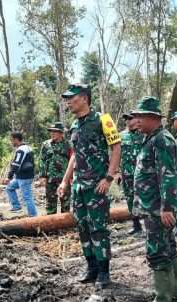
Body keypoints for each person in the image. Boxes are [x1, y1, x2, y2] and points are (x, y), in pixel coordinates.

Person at [58, 84, 121, 289]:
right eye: (67, 99)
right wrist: (65, 181)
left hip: (97, 186)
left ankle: (104, 271)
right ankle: (91, 267)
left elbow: (116, 147)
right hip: (79, 187)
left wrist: (109, 177)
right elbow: (75, 155)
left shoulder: (103, 119)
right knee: (83, 227)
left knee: (99, 228)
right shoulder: (75, 125)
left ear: (84, 98)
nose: (68, 102)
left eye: (71, 98)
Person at [131, 96, 177, 302]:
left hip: (157, 209)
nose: (136, 121)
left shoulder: (162, 139)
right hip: (153, 206)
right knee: (168, 247)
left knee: (158, 251)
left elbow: (168, 175)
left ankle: (162, 301)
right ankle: (174, 291)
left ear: (153, 118)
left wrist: (167, 208)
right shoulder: (152, 138)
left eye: (140, 117)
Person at [38, 122, 72, 215]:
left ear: (61, 133)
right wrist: (42, 176)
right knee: (50, 203)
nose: (52, 133)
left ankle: (65, 226)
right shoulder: (46, 144)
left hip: (64, 179)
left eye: (55, 131)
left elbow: (72, 160)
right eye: (51, 131)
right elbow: (42, 160)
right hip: (50, 179)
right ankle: (51, 225)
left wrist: (72, 177)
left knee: (65, 203)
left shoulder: (68, 144)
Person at [119, 112, 144, 234]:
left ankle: (152, 224)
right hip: (127, 173)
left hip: (143, 174)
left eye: (130, 118)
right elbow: (117, 154)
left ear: (137, 119)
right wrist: (117, 173)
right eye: (126, 119)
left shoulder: (143, 134)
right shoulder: (121, 136)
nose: (127, 121)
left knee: (145, 198)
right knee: (130, 198)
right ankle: (136, 225)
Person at [4, 131, 37, 217]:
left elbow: (16, 164)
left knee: (27, 197)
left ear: (16, 139)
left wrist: (9, 177)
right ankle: (16, 206)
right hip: (22, 176)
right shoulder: (27, 147)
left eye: (12, 140)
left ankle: (33, 216)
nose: (11, 142)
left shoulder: (21, 150)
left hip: (24, 177)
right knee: (10, 188)